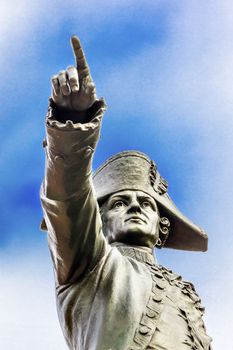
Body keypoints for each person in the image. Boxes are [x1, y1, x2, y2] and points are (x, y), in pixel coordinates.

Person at [40, 36, 212, 350]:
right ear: (99, 220)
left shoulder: (184, 293)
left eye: (146, 203)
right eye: (120, 202)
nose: (135, 207)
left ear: (162, 228)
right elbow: (68, 201)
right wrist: (73, 124)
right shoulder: (90, 268)